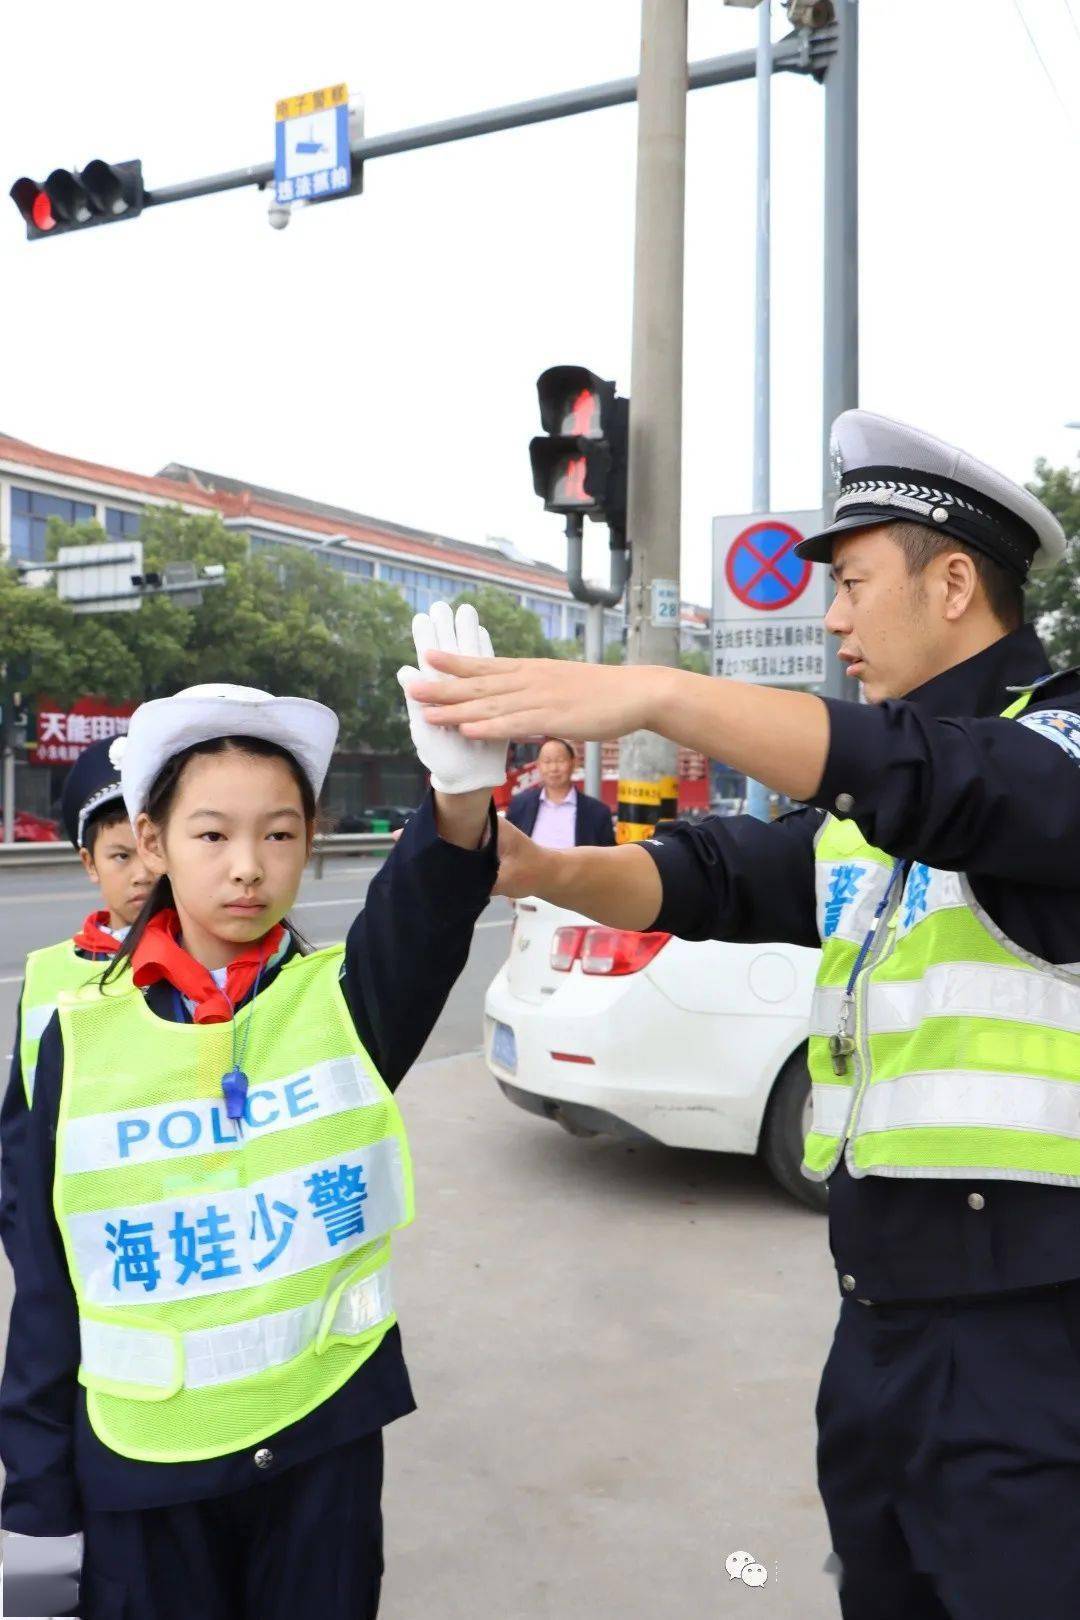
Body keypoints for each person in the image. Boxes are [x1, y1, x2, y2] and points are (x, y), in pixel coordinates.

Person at [411, 410, 1080, 1619]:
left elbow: (942, 783)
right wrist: (531, 864)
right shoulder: (879, 811)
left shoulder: (1052, 744)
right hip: (881, 1327)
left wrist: (657, 693)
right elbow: (718, 872)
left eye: (855, 584)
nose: (831, 619)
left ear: (956, 584)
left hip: (1035, 1348)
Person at [0, 601, 506, 1620]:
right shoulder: (75, 1035)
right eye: (212, 833)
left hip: (319, 1451)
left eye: (279, 833)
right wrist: (37, 1505)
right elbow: (48, 1287)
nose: (246, 865)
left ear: (311, 839)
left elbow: (424, 914)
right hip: (143, 1470)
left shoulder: (345, 1005)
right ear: (152, 840)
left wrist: (457, 800)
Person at [0, 737, 153, 1262]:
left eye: (152, 850)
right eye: (120, 855)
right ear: (91, 863)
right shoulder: (48, 971)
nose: (142, 873)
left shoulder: (213, 959)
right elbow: (22, 1130)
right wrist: (27, 1241)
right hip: (81, 1238)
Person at [505, 736, 615, 848]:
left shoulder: (598, 812)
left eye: (560, 760)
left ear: (574, 763)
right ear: (538, 766)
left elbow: (607, 859)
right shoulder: (519, 805)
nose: (553, 768)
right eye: (547, 761)